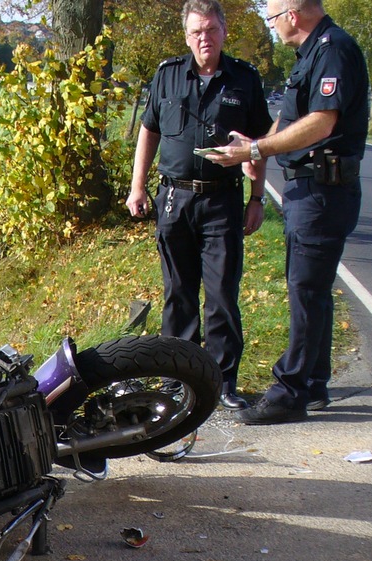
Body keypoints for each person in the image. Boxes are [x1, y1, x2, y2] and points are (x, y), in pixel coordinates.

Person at [210, 0, 368, 424]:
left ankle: (289, 392)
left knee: (306, 291)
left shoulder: (333, 50)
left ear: (291, 16)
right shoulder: (312, 54)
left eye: (272, 17)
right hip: (310, 190)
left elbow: (321, 123)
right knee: (312, 290)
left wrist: (258, 149)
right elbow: (292, 119)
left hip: (323, 190)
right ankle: (314, 381)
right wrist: (255, 141)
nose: (273, 26)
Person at [127, 0, 272, 411]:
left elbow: (258, 147)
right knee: (178, 295)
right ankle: (180, 379)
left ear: (223, 31)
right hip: (174, 199)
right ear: (187, 36)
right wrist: (137, 188)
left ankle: (222, 383)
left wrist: (257, 197)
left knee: (223, 294)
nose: (203, 39)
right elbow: (149, 133)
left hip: (222, 200)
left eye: (210, 30)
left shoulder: (244, 79)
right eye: (196, 32)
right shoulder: (168, 75)